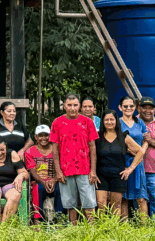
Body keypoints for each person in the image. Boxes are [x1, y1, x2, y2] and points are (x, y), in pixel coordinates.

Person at [50, 94, 98, 223]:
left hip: (85, 169)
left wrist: (93, 170)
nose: (72, 108)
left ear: (79, 107)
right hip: (65, 169)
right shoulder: (57, 122)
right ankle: (73, 230)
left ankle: (92, 230)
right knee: (70, 204)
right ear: (64, 106)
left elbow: (93, 147)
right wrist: (58, 171)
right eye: (69, 105)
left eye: (75, 105)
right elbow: (55, 149)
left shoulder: (87, 122)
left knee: (89, 203)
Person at [117, 96, 149, 218]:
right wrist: (131, 150)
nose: (128, 108)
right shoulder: (118, 123)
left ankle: (144, 228)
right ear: (120, 107)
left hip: (138, 163)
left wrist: (141, 152)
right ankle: (125, 229)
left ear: (135, 107)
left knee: (141, 198)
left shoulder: (139, 122)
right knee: (123, 198)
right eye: (125, 106)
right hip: (124, 162)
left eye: (131, 106)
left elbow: (146, 140)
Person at [94, 111, 130, 216]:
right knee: (101, 204)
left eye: (112, 119)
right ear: (102, 122)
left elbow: (140, 151)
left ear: (116, 121)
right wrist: (93, 172)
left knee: (116, 206)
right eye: (106, 120)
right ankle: (103, 229)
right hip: (101, 175)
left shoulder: (123, 136)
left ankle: (114, 229)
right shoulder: (97, 137)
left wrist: (130, 169)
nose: (109, 122)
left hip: (118, 175)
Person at [25, 125, 62, 224]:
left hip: (55, 180)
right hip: (38, 181)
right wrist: (43, 182)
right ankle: (37, 220)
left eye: (46, 135)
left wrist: (54, 180)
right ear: (36, 137)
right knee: (38, 189)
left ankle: (59, 219)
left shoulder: (57, 150)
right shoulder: (30, 151)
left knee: (61, 189)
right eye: (40, 135)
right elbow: (32, 171)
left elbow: (60, 168)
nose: (43, 138)